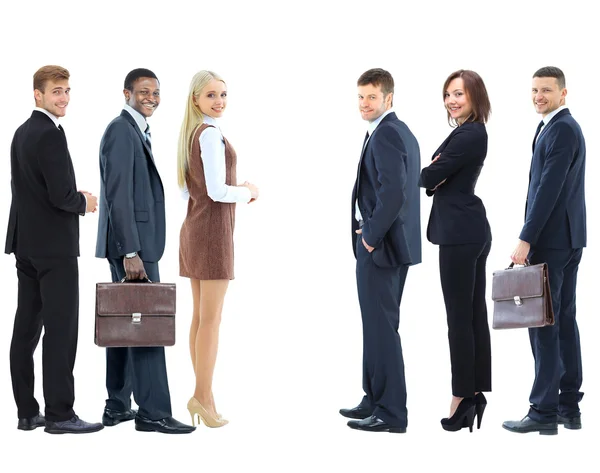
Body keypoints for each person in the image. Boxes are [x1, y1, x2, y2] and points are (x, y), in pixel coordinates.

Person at [95, 68, 195, 434]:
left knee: (124, 322)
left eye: (155, 91)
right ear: (127, 94)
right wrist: (131, 252)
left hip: (133, 243)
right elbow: (118, 195)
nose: (151, 97)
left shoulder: (135, 130)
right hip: (132, 247)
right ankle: (153, 411)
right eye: (143, 91)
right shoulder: (121, 131)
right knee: (148, 325)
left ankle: (117, 406)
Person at [5, 65, 103, 434]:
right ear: (38, 95)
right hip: (54, 249)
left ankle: (28, 413)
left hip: (26, 246)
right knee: (61, 332)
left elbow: (25, 189)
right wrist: (86, 202)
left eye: (66, 91)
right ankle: (61, 415)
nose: (63, 98)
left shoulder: (21, 132)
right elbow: (60, 195)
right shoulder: (50, 134)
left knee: (26, 330)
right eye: (56, 91)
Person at [503, 66, 586, 435]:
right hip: (567, 239)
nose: (539, 96)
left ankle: (543, 410)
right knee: (563, 320)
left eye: (547, 90)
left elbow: (548, 190)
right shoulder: (551, 127)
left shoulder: (563, 128)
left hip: (552, 241)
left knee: (543, 324)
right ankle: (568, 407)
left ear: (563, 94)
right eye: (535, 89)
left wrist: (527, 237)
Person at [339, 68, 421, 433]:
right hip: (388, 246)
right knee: (375, 326)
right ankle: (373, 398)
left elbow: (394, 194)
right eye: (360, 97)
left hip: (382, 248)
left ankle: (391, 413)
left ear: (388, 98)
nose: (364, 104)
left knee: (383, 328)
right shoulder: (393, 131)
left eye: (371, 97)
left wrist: (369, 237)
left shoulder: (388, 133)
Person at [177, 70, 258, 428]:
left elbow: (189, 191)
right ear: (196, 99)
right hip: (211, 235)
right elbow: (215, 191)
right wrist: (247, 191)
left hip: (195, 229)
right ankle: (201, 396)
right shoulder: (209, 134)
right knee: (210, 320)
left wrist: (232, 187)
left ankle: (205, 396)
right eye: (211, 95)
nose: (219, 101)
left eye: (223, 94)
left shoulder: (193, 134)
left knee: (200, 318)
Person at [419, 69, 492, 432]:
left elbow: (429, 177)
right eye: (448, 94)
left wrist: (432, 170)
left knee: (459, 320)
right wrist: (435, 171)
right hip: (469, 230)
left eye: (459, 94)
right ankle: (475, 391)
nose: (451, 100)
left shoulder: (468, 134)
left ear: (475, 97)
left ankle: (462, 397)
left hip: (460, 234)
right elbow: (435, 175)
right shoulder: (467, 133)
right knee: (472, 315)